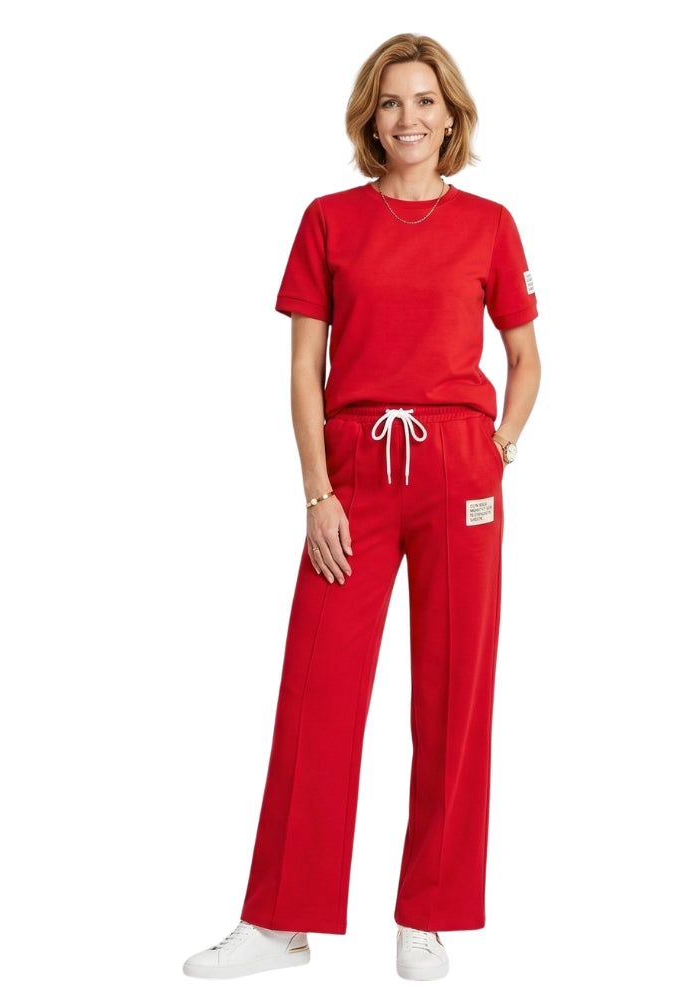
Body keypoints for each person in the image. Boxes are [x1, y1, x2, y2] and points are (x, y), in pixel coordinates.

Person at [183, 32, 541, 982]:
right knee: (318, 690)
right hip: (354, 473)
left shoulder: (491, 225)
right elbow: (304, 368)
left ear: (451, 116)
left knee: (456, 693)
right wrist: (318, 493)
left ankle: (429, 915)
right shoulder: (329, 219)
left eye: (424, 100)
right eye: (390, 102)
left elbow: (525, 356)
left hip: (460, 472)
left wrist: (498, 450)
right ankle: (280, 921)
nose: (407, 118)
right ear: (369, 120)